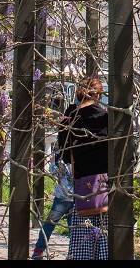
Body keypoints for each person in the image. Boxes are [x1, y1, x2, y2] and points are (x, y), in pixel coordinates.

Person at [57, 77, 109, 260]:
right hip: (105, 186)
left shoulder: (70, 118)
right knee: (105, 241)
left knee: (82, 244)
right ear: (99, 94)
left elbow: (63, 155)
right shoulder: (106, 117)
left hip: (81, 185)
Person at [31, 153, 75, 260]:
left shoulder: (63, 154)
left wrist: (53, 162)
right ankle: (72, 253)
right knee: (71, 227)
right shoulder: (76, 153)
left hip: (65, 196)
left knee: (51, 224)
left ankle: (38, 250)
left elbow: (54, 172)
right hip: (72, 196)